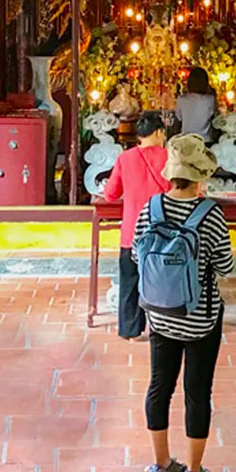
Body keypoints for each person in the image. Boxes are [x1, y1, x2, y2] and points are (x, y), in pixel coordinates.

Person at [133, 134, 234, 472]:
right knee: (197, 391)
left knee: (159, 386)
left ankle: (161, 465)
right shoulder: (211, 215)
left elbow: (137, 256)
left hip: (159, 316)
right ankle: (193, 471)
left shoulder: (151, 208)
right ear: (200, 176)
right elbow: (225, 265)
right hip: (200, 319)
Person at [102, 111, 169, 340]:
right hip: (164, 234)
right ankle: (162, 328)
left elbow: (110, 194)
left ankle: (130, 332)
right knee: (163, 283)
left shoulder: (125, 159)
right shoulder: (170, 157)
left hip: (132, 234)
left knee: (130, 283)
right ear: (159, 133)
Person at [176, 67, 217, 141]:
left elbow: (179, 117)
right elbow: (213, 115)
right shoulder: (210, 100)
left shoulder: (181, 99)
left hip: (186, 139)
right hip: (204, 139)